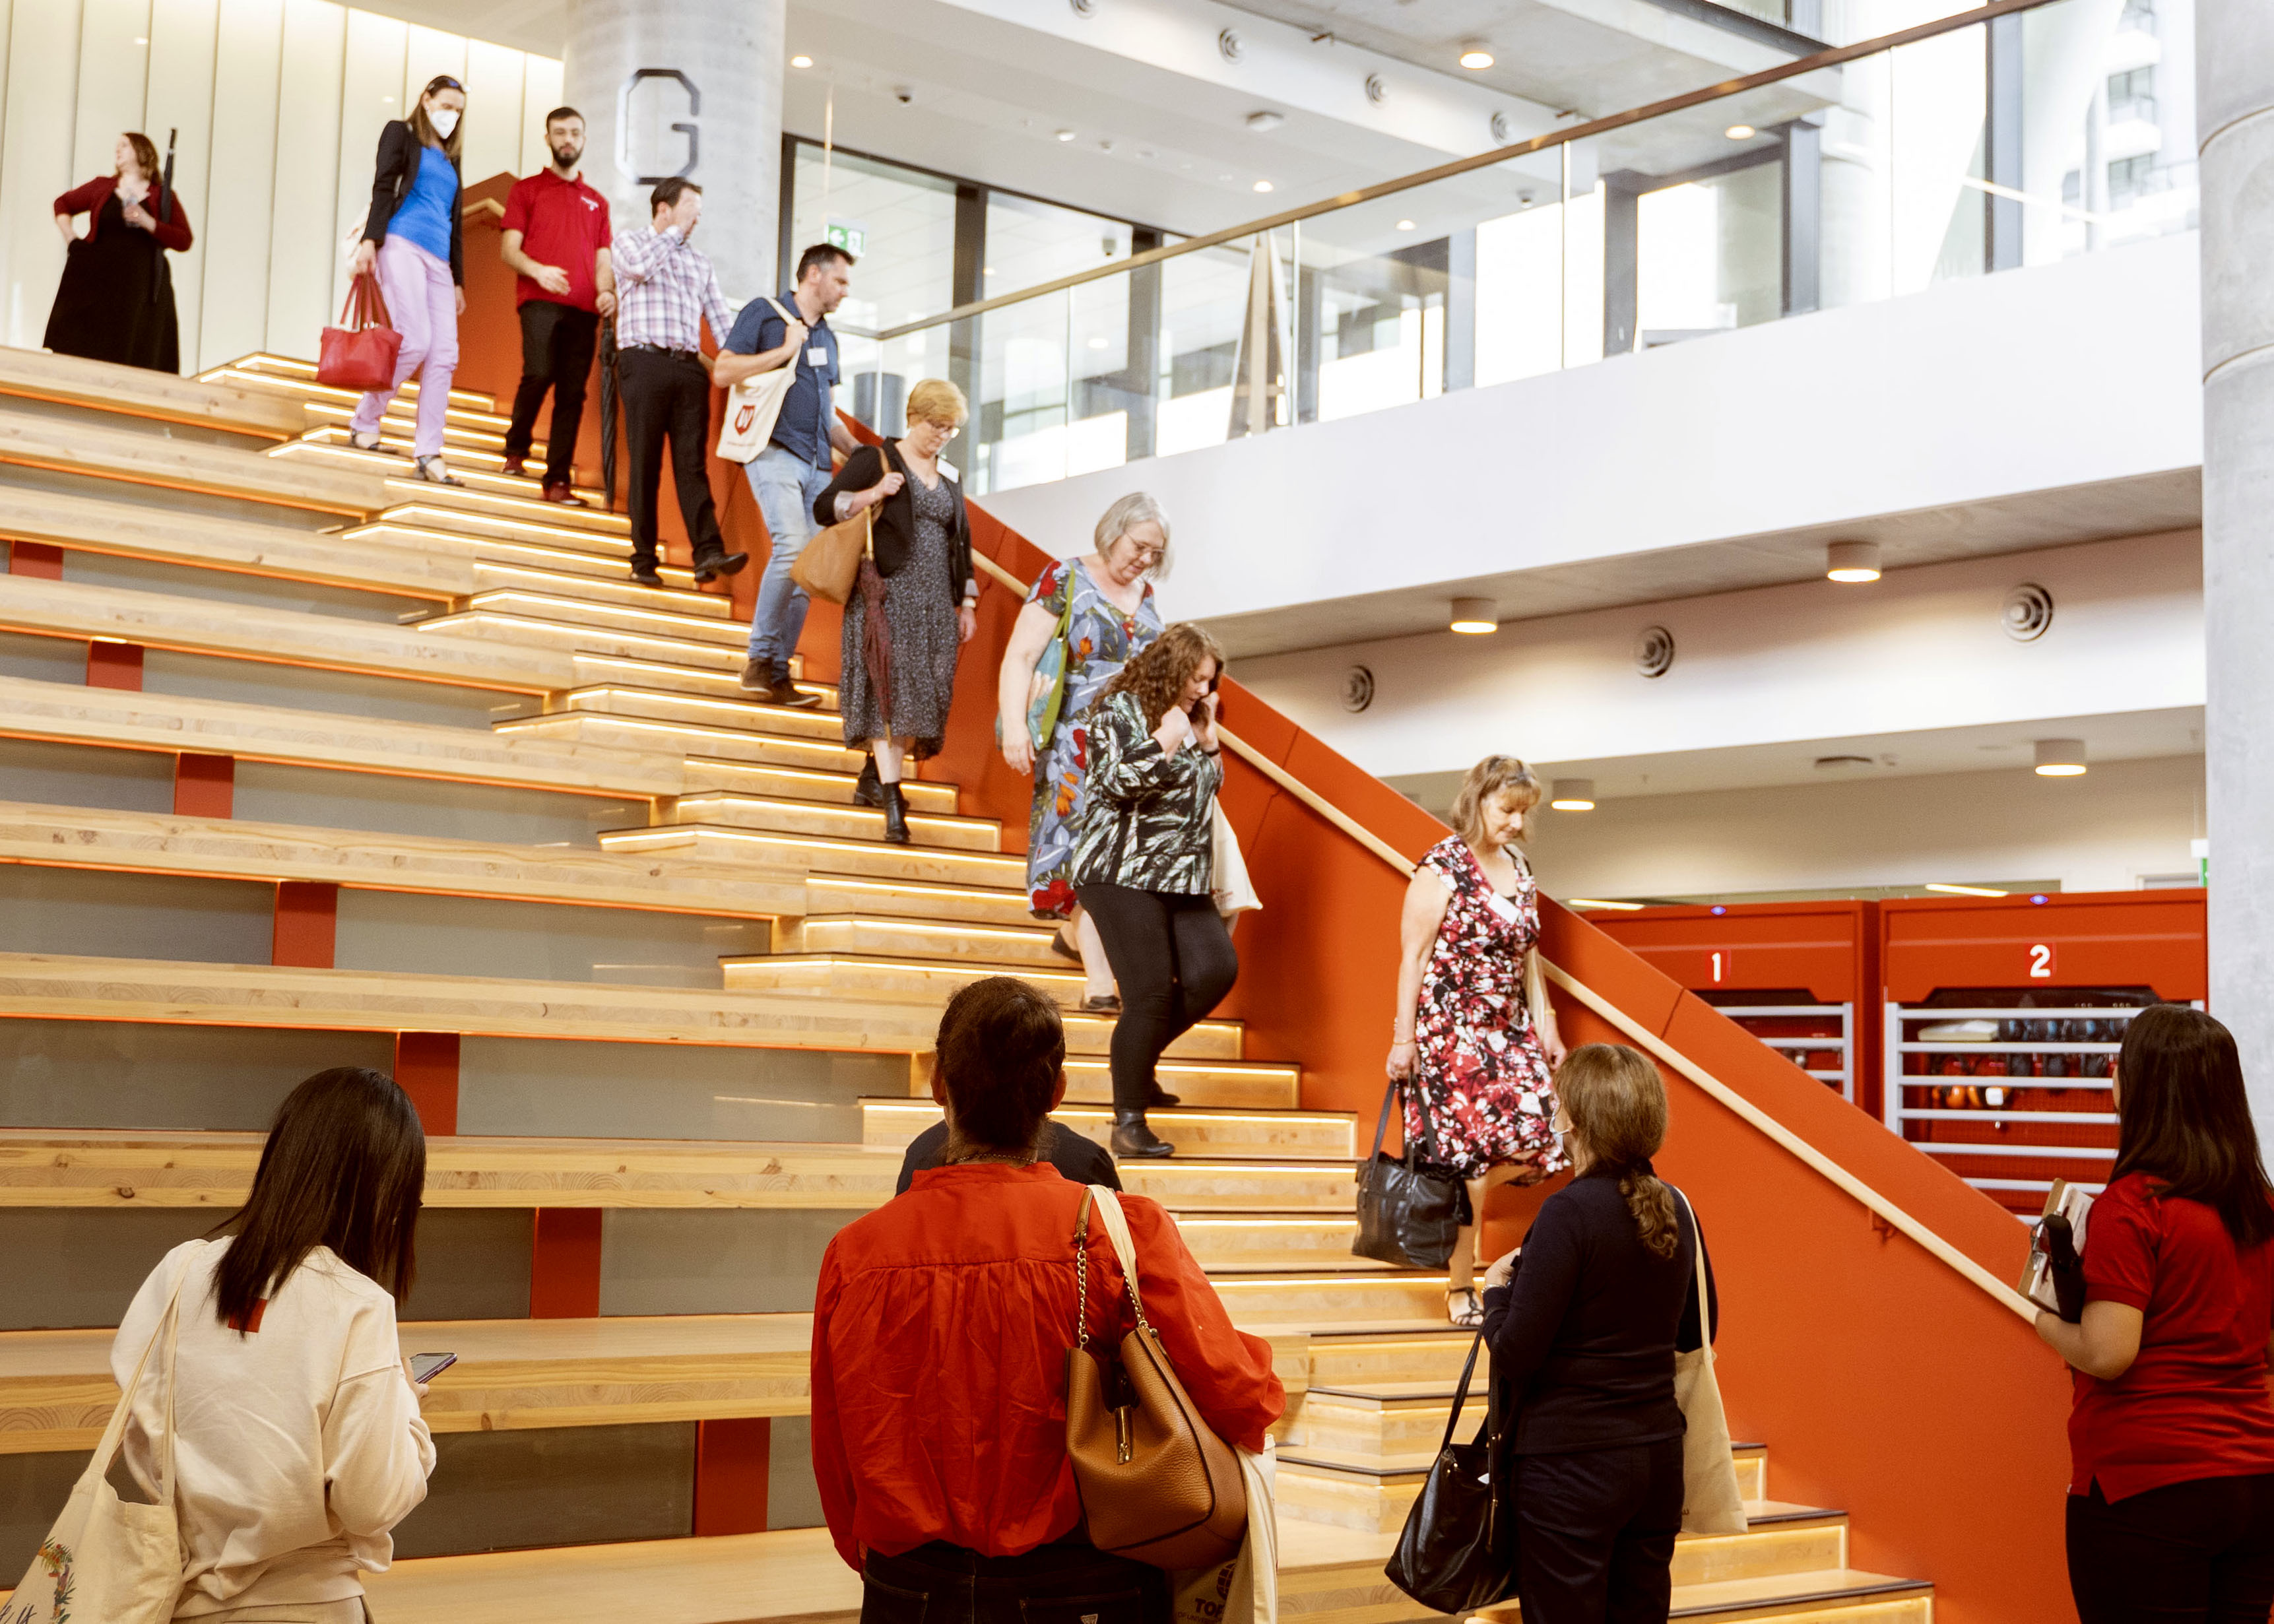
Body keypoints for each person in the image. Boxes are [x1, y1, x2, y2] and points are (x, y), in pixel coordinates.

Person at [812, 976, 1282, 1620]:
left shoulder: (855, 1253)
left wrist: (872, 1557)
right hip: (1081, 1577)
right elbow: (1244, 1397)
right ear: (1055, 1093)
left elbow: (836, 1442)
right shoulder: (1119, 1229)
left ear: (938, 1087)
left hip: (910, 1583)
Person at [108, 1066, 434, 1621]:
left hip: (178, 1598)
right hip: (310, 1604)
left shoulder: (182, 1269)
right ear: (384, 1192)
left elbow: (146, 1436)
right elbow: (372, 1501)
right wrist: (407, 1411)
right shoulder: (359, 1304)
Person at [2032, 1004, 2274, 1623]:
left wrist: (2044, 1315)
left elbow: (2110, 1352)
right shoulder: (2260, 1206)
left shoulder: (2133, 1205)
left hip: (2144, 1487)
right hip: (2254, 1480)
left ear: (2138, 1087)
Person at [1480, 1043, 1718, 1624]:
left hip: (1569, 1466)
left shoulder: (1569, 1212)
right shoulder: (1677, 1207)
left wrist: (1494, 1292)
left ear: (1573, 1119)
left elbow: (1517, 1351)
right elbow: (1695, 1330)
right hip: (1656, 1459)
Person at [1388, 754, 1570, 1327]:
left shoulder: (1519, 866)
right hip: (1451, 1033)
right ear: (1478, 802)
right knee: (1469, 1161)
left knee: (1543, 1140)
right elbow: (1412, 958)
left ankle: (1463, 1220)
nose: (1517, 822)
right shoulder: (1441, 866)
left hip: (1509, 1027)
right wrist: (1403, 1039)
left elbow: (1529, 955)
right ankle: (1461, 1282)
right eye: (1508, 809)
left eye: (1524, 812)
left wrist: (1549, 1022)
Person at [997, 494, 1171, 1011]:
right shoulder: (1064, 577)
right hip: (1075, 743)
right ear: (1113, 531)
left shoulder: (1149, 596)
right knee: (1083, 853)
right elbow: (1021, 655)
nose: (1144, 558)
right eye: (1139, 545)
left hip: (1132, 749)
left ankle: (1075, 940)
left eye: (1155, 552)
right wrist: (1014, 725)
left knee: (1118, 859)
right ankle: (1099, 981)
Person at [1071, 622, 1235, 1160]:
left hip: (1181, 874)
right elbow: (1116, 782)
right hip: (1119, 869)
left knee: (1216, 969)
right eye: (1195, 678)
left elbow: (1203, 793)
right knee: (1149, 992)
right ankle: (1129, 1120)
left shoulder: (1194, 718)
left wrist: (1208, 745)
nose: (1201, 691)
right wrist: (1167, 735)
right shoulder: (1120, 707)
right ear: (1170, 666)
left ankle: (1137, 1064)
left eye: (1209, 681)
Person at [808, 379, 977, 844]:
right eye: (936, 426)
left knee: (923, 695)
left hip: (936, 603)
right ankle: (893, 803)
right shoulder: (875, 459)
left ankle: (871, 777)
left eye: (950, 429)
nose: (942, 436)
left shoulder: (951, 475)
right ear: (914, 417)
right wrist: (872, 493)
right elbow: (826, 507)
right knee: (891, 691)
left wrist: (967, 601)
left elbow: (961, 541)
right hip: (886, 594)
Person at [717, 243, 861, 707]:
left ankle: (778, 673)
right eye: (840, 281)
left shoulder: (830, 340)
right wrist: (783, 350)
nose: (844, 292)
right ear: (814, 275)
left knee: (809, 571)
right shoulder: (766, 312)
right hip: (774, 451)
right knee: (792, 548)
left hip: (820, 465)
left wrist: (860, 453)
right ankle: (758, 660)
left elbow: (829, 415)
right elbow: (723, 371)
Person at [610, 178, 750, 591]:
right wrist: (672, 235)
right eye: (690, 206)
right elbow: (638, 270)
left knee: (692, 465)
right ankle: (643, 558)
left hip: (688, 368)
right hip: (643, 361)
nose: (697, 217)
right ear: (664, 208)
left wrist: (747, 363)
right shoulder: (629, 242)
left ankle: (708, 552)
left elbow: (723, 322)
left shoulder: (700, 262)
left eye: (699, 210)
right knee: (645, 463)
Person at [345, 76, 467, 487]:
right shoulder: (402, 133)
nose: (452, 115)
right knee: (414, 340)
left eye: (459, 109)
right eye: (446, 105)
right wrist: (369, 240)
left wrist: (458, 281)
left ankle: (430, 450)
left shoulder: (452, 157)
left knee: (444, 354)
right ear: (427, 100)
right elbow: (384, 185)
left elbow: (455, 224)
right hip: (401, 242)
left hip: (439, 259)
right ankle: (365, 421)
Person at [498, 106, 616, 506]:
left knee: (572, 393)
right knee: (539, 373)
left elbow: (604, 259)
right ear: (547, 139)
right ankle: (516, 450)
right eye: (560, 132)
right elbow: (508, 250)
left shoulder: (597, 202)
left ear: (584, 140)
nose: (568, 139)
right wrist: (538, 270)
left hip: (584, 310)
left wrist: (606, 292)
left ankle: (558, 482)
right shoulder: (526, 190)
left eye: (575, 133)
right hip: (539, 301)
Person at [45, 131, 191, 373]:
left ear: (142, 151)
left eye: (125, 145)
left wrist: (148, 222)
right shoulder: (102, 186)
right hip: (100, 279)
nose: (118, 150)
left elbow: (184, 239)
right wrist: (71, 238)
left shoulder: (162, 196)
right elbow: (63, 204)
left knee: (132, 346)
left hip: (140, 287)